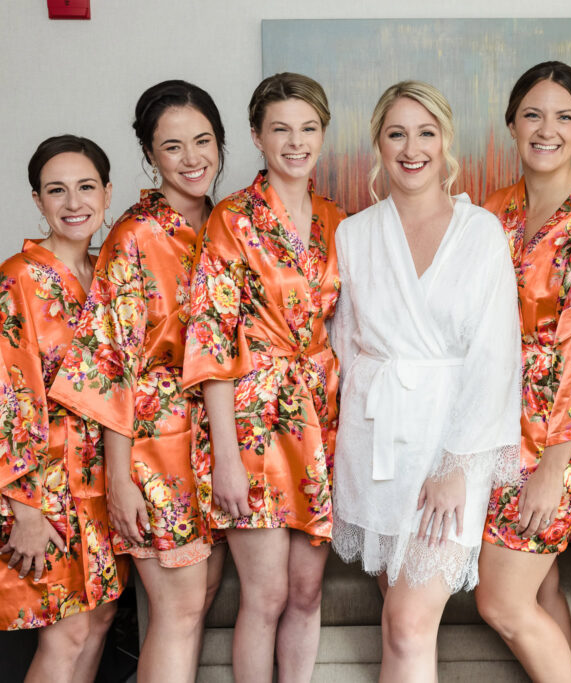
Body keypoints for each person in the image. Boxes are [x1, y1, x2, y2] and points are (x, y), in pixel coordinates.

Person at [331, 80, 521, 682]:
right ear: (378, 146)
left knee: (411, 622)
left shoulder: (481, 232)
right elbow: (344, 348)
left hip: (453, 443)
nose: (411, 148)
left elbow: (496, 356)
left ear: (445, 143)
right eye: (396, 133)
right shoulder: (355, 234)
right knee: (400, 623)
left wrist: (455, 466)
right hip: (377, 443)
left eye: (426, 133)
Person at [50, 80, 226, 682]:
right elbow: (109, 362)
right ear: (150, 156)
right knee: (177, 610)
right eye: (172, 146)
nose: (192, 157)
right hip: (155, 448)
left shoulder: (228, 226)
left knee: (197, 601)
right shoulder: (134, 237)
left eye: (202, 141)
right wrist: (118, 477)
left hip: (219, 444)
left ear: (223, 145)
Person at [472, 60, 571, 683]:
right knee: (539, 590)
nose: (547, 129)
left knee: (501, 600)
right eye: (533, 114)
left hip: (551, 440)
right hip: (489, 425)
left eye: (564, 116)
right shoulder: (493, 212)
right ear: (511, 123)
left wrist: (553, 471)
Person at [182, 72, 344, 683]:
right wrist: (225, 457)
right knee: (268, 595)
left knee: (306, 594)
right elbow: (211, 340)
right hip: (250, 428)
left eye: (308, 128)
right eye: (281, 129)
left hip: (318, 420)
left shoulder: (335, 219)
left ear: (323, 136)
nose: (295, 142)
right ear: (257, 136)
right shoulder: (232, 220)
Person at [0, 134, 126, 681]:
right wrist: (26, 509)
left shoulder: (106, 276)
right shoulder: (15, 280)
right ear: (37, 200)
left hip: (100, 481)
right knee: (66, 633)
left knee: (100, 619)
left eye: (86, 187)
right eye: (56, 190)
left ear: (108, 193)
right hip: (41, 488)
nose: (73, 203)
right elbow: (1, 398)